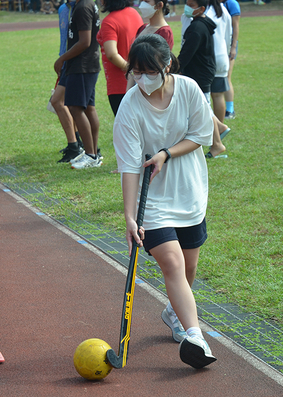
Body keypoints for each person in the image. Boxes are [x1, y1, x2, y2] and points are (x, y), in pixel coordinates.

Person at [113, 34, 217, 369]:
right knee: (171, 264)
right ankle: (196, 337)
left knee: (188, 271)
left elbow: (202, 135)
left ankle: (173, 311)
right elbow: (129, 167)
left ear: (167, 65)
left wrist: (165, 154)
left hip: (189, 192)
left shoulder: (187, 89)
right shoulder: (129, 107)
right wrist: (130, 217)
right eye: (136, 72)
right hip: (152, 202)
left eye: (149, 71)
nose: (142, 79)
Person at [53, 0, 101, 170]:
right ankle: (93, 153)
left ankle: (91, 154)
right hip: (87, 64)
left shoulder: (82, 7)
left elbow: (85, 41)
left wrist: (62, 58)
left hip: (82, 65)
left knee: (76, 108)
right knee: (88, 107)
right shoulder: (86, 4)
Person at [178, 0, 226, 158]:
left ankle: (217, 144)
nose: (187, 8)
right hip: (202, 71)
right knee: (203, 106)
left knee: (203, 108)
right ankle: (219, 127)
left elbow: (186, 54)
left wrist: (174, 68)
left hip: (199, 73)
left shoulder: (197, 28)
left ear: (202, 8)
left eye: (191, 5)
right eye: (187, 3)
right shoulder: (201, 24)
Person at [51, 0, 85, 163]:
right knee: (67, 103)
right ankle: (76, 142)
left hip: (77, 62)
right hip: (66, 60)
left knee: (59, 101)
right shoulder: (64, 9)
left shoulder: (83, 7)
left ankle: (75, 146)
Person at [96, 0, 142, 117]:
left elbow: (112, 54)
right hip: (139, 80)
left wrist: (130, 70)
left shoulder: (109, 21)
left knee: (125, 127)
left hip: (119, 84)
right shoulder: (134, 13)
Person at [206, 0, 231, 124]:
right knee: (218, 95)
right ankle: (220, 129)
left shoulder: (204, 11)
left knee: (203, 97)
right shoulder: (223, 10)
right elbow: (228, 35)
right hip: (221, 56)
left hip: (207, 58)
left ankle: (213, 129)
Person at [222, 0, 238, 119]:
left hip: (228, 44)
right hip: (215, 44)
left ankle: (230, 109)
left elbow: (235, 25)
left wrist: (233, 47)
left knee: (227, 77)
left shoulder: (231, 3)